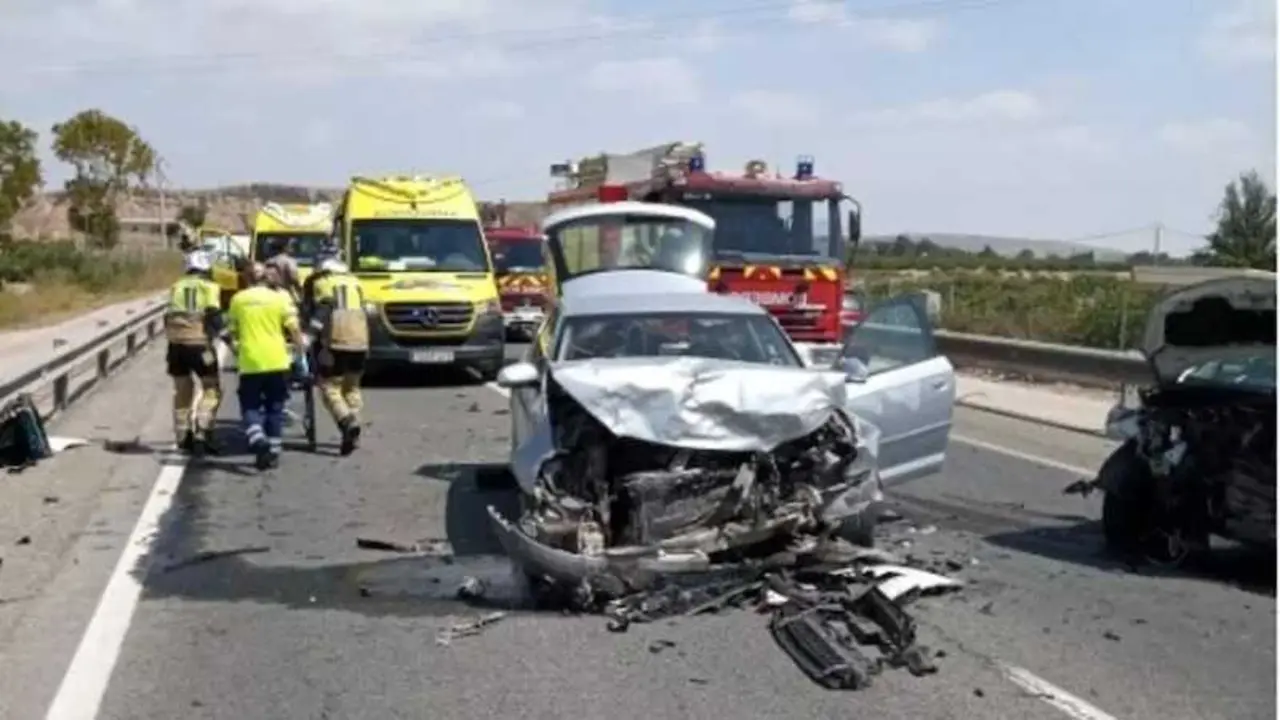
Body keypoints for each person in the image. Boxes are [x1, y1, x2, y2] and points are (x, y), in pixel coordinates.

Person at [225, 262, 307, 470]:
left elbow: (232, 332)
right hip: (277, 360)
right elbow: (293, 328)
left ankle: (258, 439)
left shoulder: (238, 300)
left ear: (246, 278)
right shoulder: (279, 299)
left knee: (250, 405)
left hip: (250, 361)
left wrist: (236, 349)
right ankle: (274, 452)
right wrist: (300, 351)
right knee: (275, 407)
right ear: (265, 278)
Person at [164, 250, 225, 454]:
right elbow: (214, 316)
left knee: (182, 389)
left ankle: (183, 436)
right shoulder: (209, 287)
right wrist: (229, 340)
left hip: (175, 347)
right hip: (201, 347)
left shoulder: (176, 286)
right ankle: (203, 425)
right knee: (211, 387)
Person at [308, 256, 368, 455]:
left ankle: (346, 421)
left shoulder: (324, 283)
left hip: (336, 341)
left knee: (329, 387)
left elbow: (323, 310)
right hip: (360, 342)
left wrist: (310, 336)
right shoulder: (357, 283)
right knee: (351, 387)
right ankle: (354, 431)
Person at [263, 237, 302, 303]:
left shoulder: (268, 261)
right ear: (285, 248)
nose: (292, 249)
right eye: (290, 246)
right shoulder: (289, 261)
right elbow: (294, 277)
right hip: (285, 294)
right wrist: (299, 290)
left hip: (270, 294)